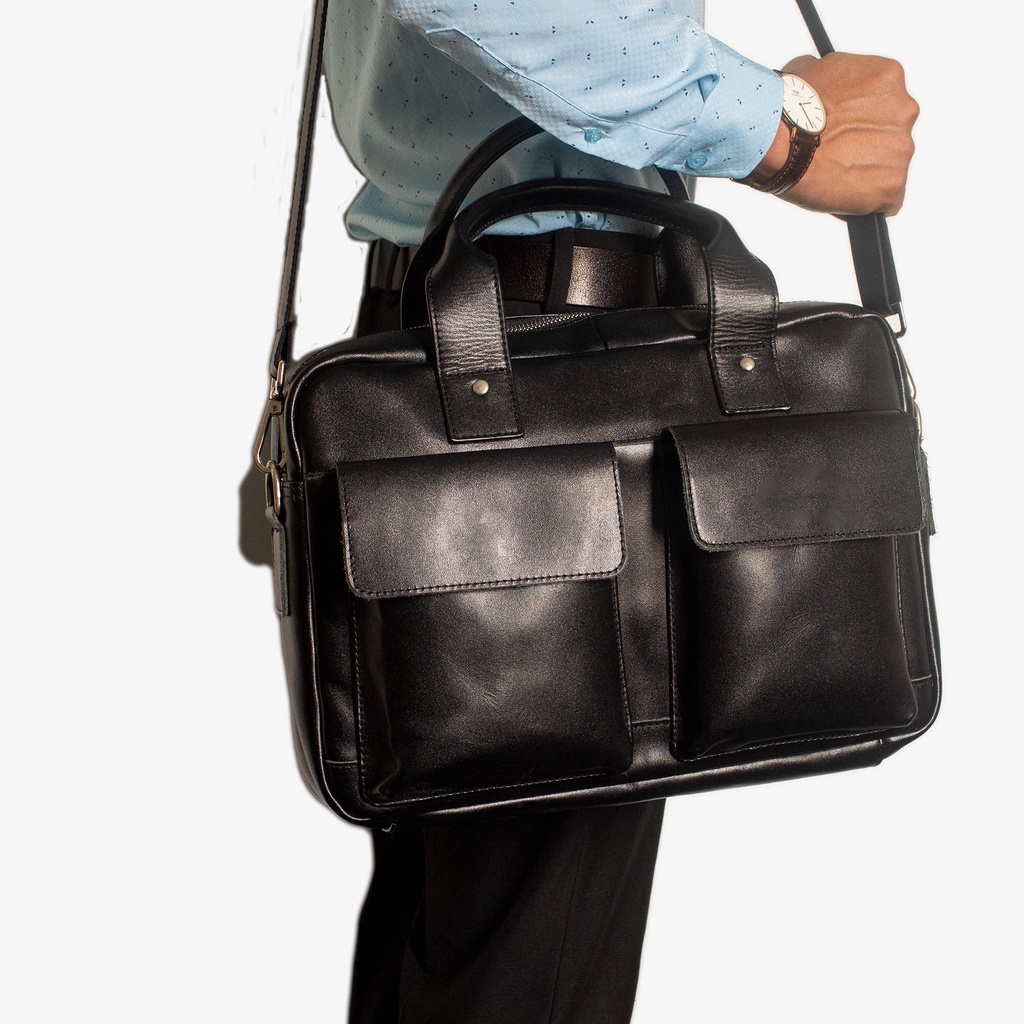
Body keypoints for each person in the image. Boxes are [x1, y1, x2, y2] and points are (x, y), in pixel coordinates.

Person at [319, 3, 919, 1022]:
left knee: (470, 943)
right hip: (536, 358)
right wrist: (783, 129)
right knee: (526, 970)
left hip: (466, 349)